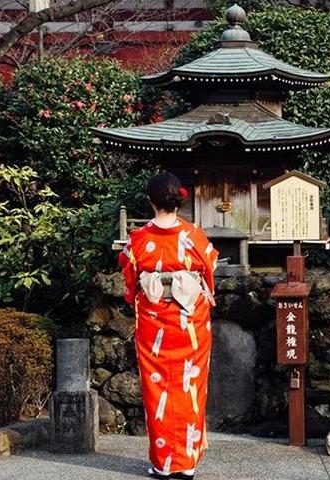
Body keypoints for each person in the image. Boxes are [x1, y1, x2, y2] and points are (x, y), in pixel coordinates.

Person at [119, 171, 219, 480]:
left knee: (157, 386)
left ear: (150, 201)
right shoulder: (194, 235)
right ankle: (186, 461)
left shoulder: (138, 239)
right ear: (178, 200)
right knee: (190, 385)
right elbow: (210, 268)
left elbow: (129, 279)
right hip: (190, 320)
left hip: (153, 321)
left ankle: (164, 462)